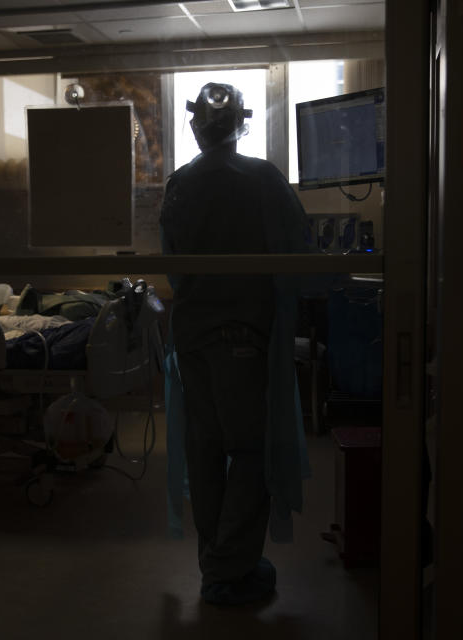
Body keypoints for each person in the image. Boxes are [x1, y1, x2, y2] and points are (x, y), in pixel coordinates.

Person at [160, 83, 310, 606]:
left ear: (196, 126)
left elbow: (174, 269)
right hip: (242, 340)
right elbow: (299, 255)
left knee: (206, 450)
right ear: (241, 124)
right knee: (248, 452)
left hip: (194, 341)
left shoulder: (179, 184)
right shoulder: (263, 178)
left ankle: (217, 560)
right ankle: (229, 571)